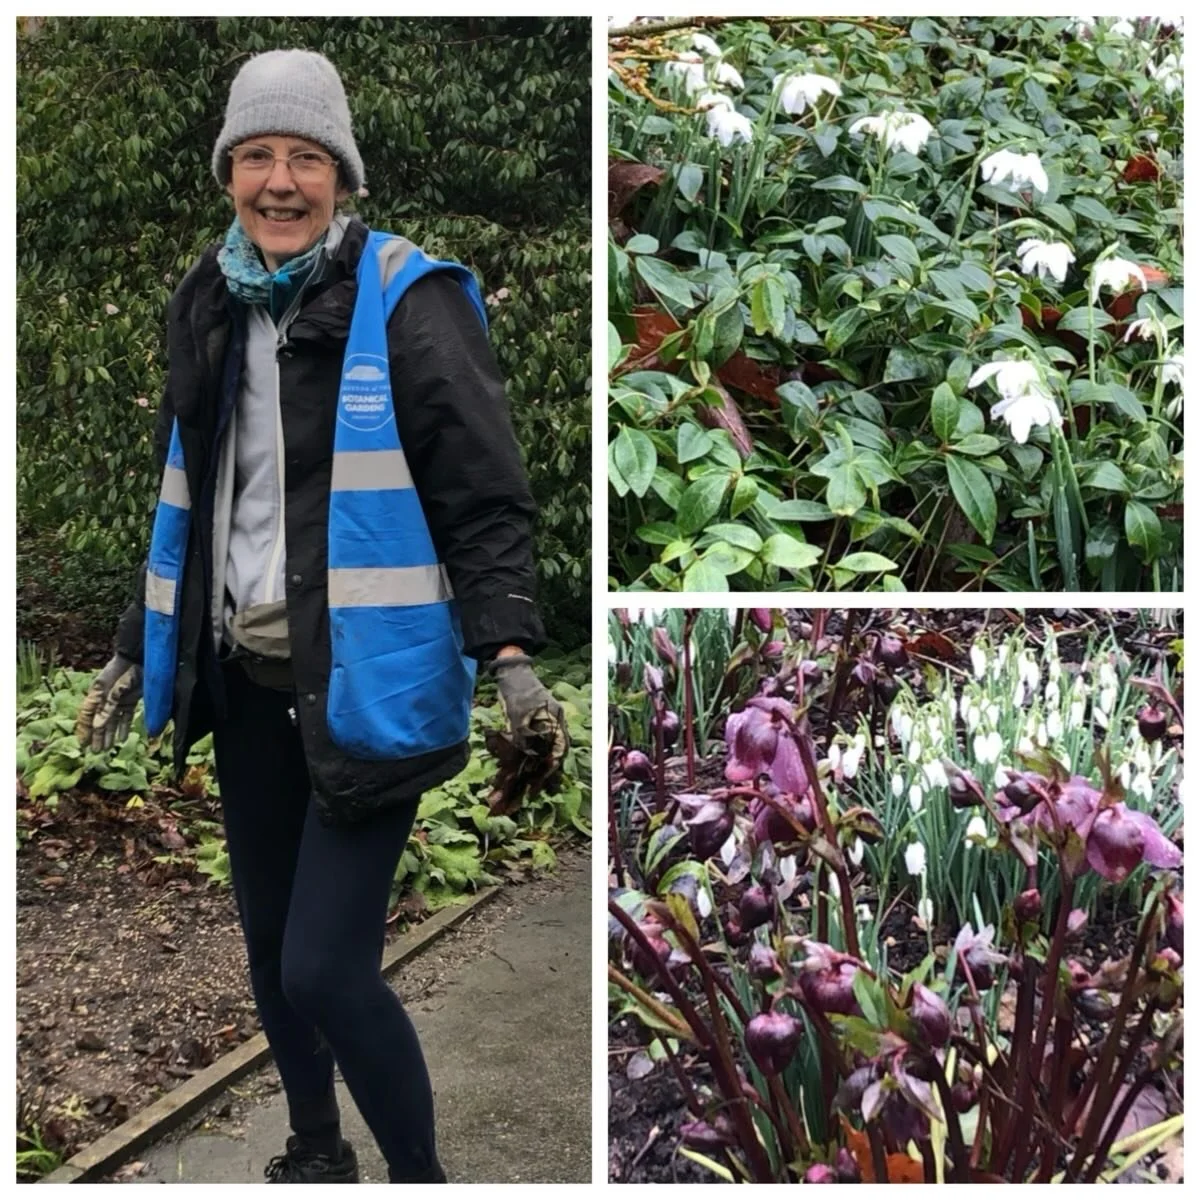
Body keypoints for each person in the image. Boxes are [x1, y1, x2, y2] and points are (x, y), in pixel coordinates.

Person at [74, 48, 567, 1184]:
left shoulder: (407, 296)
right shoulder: (208, 296)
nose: (280, 181)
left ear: (341, 175)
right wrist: (127, 646)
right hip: (247, 687)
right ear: (229, 174)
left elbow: (481, 491)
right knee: (269, 952)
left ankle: (420, 1179)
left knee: (327, 971)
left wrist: (509, 660)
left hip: (365, 690)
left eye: (305, 157)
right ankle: (313, 1149)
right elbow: (184, 494)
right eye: (257, 156)